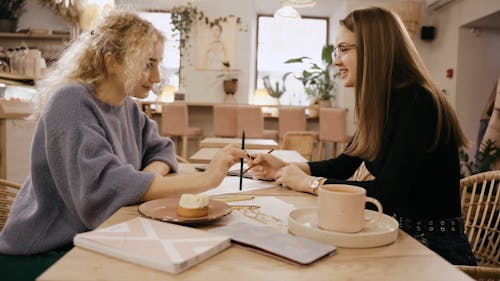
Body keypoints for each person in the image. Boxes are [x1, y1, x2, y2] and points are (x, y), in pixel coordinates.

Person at [0, 11, 247, 280]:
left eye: (158, 64)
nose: (156, 76)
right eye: (147, 64)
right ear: (113, 62)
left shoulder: (127, 106)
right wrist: (206, 180)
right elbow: (103, 189)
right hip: (44, 251)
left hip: (94, 236)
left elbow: (160, 150)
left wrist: (147, 176)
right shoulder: (70, 102)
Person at [250, 7, 476, 266]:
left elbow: (385, 194)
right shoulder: (382, 104)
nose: (335, 61)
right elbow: (343, 164)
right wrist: (286, 166)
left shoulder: (416, 100)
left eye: (344, 49)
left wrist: (308, 184)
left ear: (374, 50)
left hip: (435, 249)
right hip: (396, 232)